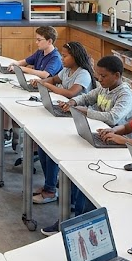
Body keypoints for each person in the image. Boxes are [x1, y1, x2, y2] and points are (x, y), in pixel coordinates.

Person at [40, 55, 132, 234]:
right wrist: (73, 102)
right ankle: (69, 208)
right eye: (98, 76)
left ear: (117, 75)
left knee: (81, 176)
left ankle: (76, 220)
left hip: (117, 148)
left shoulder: (125, 94)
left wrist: (86, 112)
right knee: (67, 163)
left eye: (103, 76)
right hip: (101, 136)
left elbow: (113, 117)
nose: (99, 80)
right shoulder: (104, 88)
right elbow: (87, 97)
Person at [30, 41, 94, 205]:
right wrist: (43, 82)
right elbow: (53, 79)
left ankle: (50, 191)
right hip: (67, 113)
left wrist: (49, 87)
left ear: (76, 57)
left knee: (51, 148)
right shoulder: (67, 70)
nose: (62, 59)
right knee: (43, 147)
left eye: (65, 56)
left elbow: (71, 93)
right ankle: (49, 185)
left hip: (79, 119)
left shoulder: (83, 74)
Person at [0, 25, 63, 150]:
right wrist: (15, 64)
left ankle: (8, 134)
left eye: (39, 40)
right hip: (33, 85)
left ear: (49, 41)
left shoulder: (55, 57)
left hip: (44, 92)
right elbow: (25, 61)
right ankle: (3, 129)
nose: (36, 42)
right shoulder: (40, 52)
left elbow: (45, 74)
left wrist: (23, 69)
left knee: (7, 100)